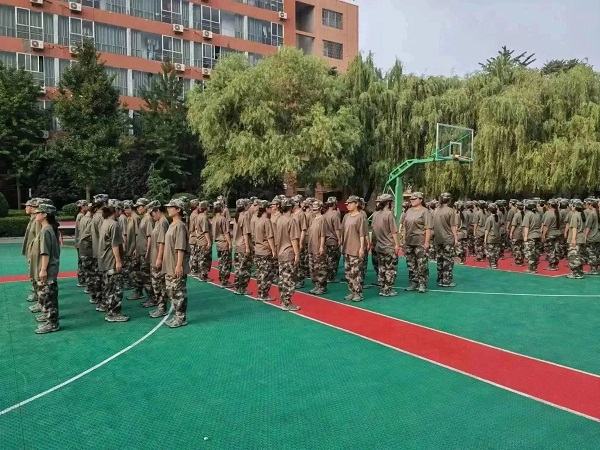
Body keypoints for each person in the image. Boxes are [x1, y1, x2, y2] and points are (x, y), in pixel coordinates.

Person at [29, 203, 61, 334]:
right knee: (47, 296)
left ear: (45, 215)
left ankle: (52, 323)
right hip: (48, 268)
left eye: (38, 212)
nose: (35, 214)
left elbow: (45, 253)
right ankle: (49, 318)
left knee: (49, 297)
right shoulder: (47, 229)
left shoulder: (46, 231)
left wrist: (43, 269)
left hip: (48, 269)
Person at [161, 198, 191, 327]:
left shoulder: (180, 226)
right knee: (171, 291)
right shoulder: (172, 224)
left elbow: (180, 247)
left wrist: (179, 265)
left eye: (171, 207)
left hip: (176, 264)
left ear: (178, 209)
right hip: (169, 264)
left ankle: (181, 317)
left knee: (178, 292)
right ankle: (176, 316)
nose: (168, 209)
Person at [99, 199, 128, 322]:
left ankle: (108, 309)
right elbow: (114, 244)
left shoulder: (105, 222)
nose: (120, 213)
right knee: (116, 289)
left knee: (108, 287)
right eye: (120, 210)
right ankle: (114, 313)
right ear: (115, 210)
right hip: (111, 261)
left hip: (105, 260)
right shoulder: (114, 224)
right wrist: (118, 260)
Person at [402, 192, 433, 293]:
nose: (412, 201)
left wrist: (427, 242)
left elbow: (428, 228)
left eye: (414, 199)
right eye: (411, 199)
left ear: (420, 200)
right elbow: (405, 226)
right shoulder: (408, 211)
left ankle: (422, 283)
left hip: (420, 241)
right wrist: (404, 239)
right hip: (409, 241)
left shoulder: (425, 211)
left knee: (422, 264)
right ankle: (413, 282)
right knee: (411, 264)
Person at [372, 194, 400, 297]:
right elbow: (394, 231)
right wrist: (397, 244)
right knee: (390, 269)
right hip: (389, 246)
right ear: (388, 203)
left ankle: (382, 288)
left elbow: (374, 230)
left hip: (379, 245)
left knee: (381, 268)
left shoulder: (375, 214)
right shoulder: (389, 214)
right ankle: (388, 290)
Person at [275, 199, 301, 311]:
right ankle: (286, 302)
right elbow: (293, 239)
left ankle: (283, 300)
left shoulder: (279, 220)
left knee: (282, 278)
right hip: (289, 252)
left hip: (281, 252)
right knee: (289, 279)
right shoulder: (291, 220)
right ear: (291, 207)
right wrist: (297, 254)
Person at [341, 195, 368, 301]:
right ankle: (351, 292)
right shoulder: (346, 217)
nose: (348, 205)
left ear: (356, 204)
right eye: (347, 203)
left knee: (356, 272)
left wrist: (361, 248)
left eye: (350, 203)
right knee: (348, 273)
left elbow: (362, 234)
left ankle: (358, 293)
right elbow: (343, 231)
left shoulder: (361, 217)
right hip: (347, 248)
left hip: (355, 249)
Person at [147, 201, 170, 318]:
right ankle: (160, 306)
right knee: (156, 284)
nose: (151, 216)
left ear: (157, 210)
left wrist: (159, 258)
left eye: (152, 213)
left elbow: (162, 242)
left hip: (158, 258)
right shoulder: (158, 222)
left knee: (159, 284)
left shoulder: (163, 223)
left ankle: (162, 308)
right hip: (154, 257)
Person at [129, 198, 153, 302]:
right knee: (141, 275)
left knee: (146, 276)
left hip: (144, 252)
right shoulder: (144, 218)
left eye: (139, 206)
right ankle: (148, 296)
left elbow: (149, 236)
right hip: (140, 251)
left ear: (145, 207)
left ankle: (152, 298)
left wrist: (148, 251)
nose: (138, 208)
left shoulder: (148, 219)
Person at [252, 200, 277, 301]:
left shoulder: (256, 220)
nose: (272, 209)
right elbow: (270, 237)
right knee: (266, 274)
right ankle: (264, 294)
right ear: (266, 209)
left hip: (257, 249)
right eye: (270, 207)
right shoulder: (266, 221)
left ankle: (260, 292)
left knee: (260, 273)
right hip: (265, 250)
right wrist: (273, 250)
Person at [433, 192, 458, 287]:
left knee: (439, 259)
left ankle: (440, 278)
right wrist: (456, 238)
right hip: (447, 238)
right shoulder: (451, 211)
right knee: (448, 260)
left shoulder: (436, 210)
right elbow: (453, 226)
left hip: (438, 238)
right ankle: (446, 280)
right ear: (449, 200)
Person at [23, 198, 41, 305]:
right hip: (31, 252)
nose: (26, 208)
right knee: (33, 276)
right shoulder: (32, 219)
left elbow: (39, 239)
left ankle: (39, 298)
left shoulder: (37, 221)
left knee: (36, 276)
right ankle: (36, 294)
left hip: (35, 253)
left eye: (28, 206)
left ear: (33, 208)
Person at [233, 198, 253, 295]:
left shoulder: (236, 217)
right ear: (245, 206)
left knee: (238, 268)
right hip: (243, 245)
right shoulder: (244, 217)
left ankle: (237, 287)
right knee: (244, 269)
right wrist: (247, 247)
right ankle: (242, 288)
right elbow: (245, 233)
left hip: (237, 245)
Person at [307, 200, 327, 294]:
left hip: (318, 247)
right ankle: (316, 285)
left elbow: (323, 235)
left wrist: (321, 246)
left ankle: (322, 287)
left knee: (320, 268)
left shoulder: (322, 219)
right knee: (313, 268)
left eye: (315, 208)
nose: (313, 210)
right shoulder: (312, 219)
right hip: (311, 247)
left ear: (320, 208)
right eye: (313, 208)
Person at [212, 201, 233, 288]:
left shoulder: (214, 218)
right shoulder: (222, 219)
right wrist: (230, 243)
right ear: (221, 208)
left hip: (218, 243)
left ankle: (222, 279)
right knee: (226, 263)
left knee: (221, 262)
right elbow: (226, 232)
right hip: (224, 242)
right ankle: (224, 281)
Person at [323, 196, 342, 283]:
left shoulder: (324, 214)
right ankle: (331, 277)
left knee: (327, 259)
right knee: (333, 259)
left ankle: (327, 275)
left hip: (326, 240)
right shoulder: (335, 215)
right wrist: (339, 239)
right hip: (333, 240)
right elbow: (337, 229)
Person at [567, 199, 587, 279]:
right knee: (580, 256)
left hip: (577, 237)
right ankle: (579, 272)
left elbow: (574, 228)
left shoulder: (575, 215)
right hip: (581, 237)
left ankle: (576, 273)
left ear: (575, 207)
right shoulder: (582, 214)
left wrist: (573, 239)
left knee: (574, 256)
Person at [522, 200, 543, 273]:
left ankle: (531, 268)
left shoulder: (528, 214)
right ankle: (535, 268)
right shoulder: (538, 214)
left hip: (531, 235)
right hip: (538, 235)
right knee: (536, 252)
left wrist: (525, 236)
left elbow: (526, 226)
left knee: (529, 253)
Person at [194, 201, 212, 282]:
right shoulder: (204, 217)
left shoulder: (198, 216)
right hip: (204, 241)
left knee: (201, 258)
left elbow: (196, 229)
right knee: (205, 260)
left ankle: (201, 275)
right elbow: (205, 231)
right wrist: (209, 242)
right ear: (206, 207)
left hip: (199, 240)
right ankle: (203, 276)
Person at [542, 199, 562, 271]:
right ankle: (555, 264)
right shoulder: (559, 213)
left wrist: (543, 235)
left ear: (550, 205)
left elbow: (546, 226)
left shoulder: (548, 213)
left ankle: (552, 265)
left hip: (550, 233)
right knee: (556, 249)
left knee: (550, 250)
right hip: (558, 233)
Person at [484, 203, 502, 269]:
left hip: (491, 237)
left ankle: (492, 264)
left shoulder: (489, 218)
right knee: (496, 252)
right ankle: (495, 264)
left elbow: (487, 229)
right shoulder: (498, 217)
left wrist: (485, 238)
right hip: (497, 237)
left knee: (490, 252)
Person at [75, 200, 88, 287]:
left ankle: (81, 280)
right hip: (81, 242)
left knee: (80, 262)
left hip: (78, 242)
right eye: (86, 205)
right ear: (82, 206)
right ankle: (83, 280)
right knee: (83, 262)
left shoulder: (79, 215)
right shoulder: (81, 216)